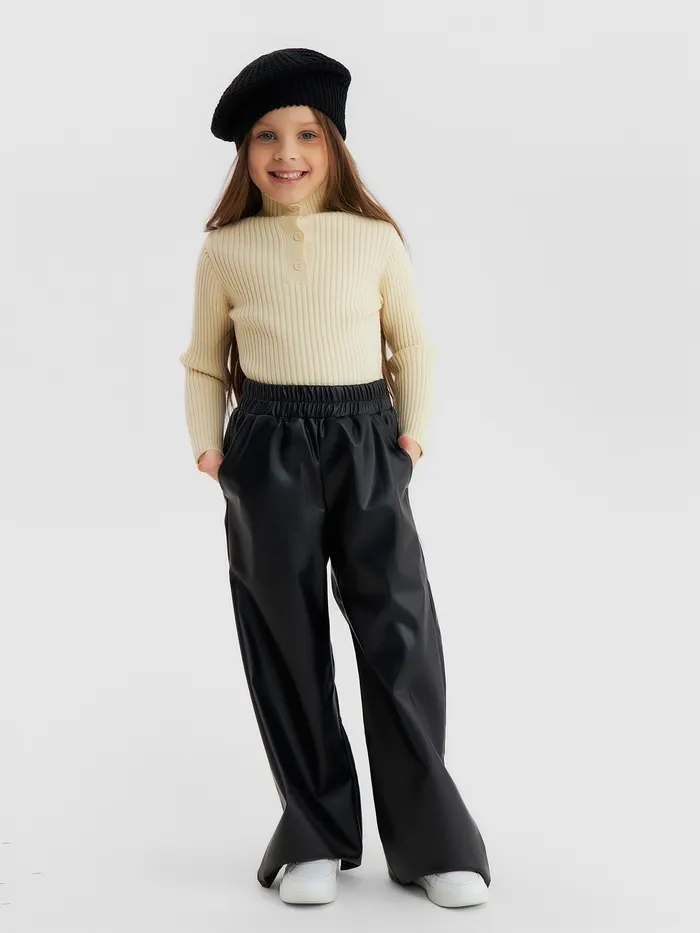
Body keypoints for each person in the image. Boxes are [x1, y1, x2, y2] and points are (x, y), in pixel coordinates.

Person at [178, 47, 491, 909]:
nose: (287, 153)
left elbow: (412, 343)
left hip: (366, 439)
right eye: (267, 136)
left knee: (397, 628)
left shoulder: (374, 239)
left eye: (307, 134)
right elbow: (204, 359)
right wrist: (211, 449)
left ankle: (431, 839)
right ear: (245, 152)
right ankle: (315, 830)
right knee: (285, 633)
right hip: (266, 447)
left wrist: (411, 439)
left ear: (335, 145)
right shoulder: (226, 250)